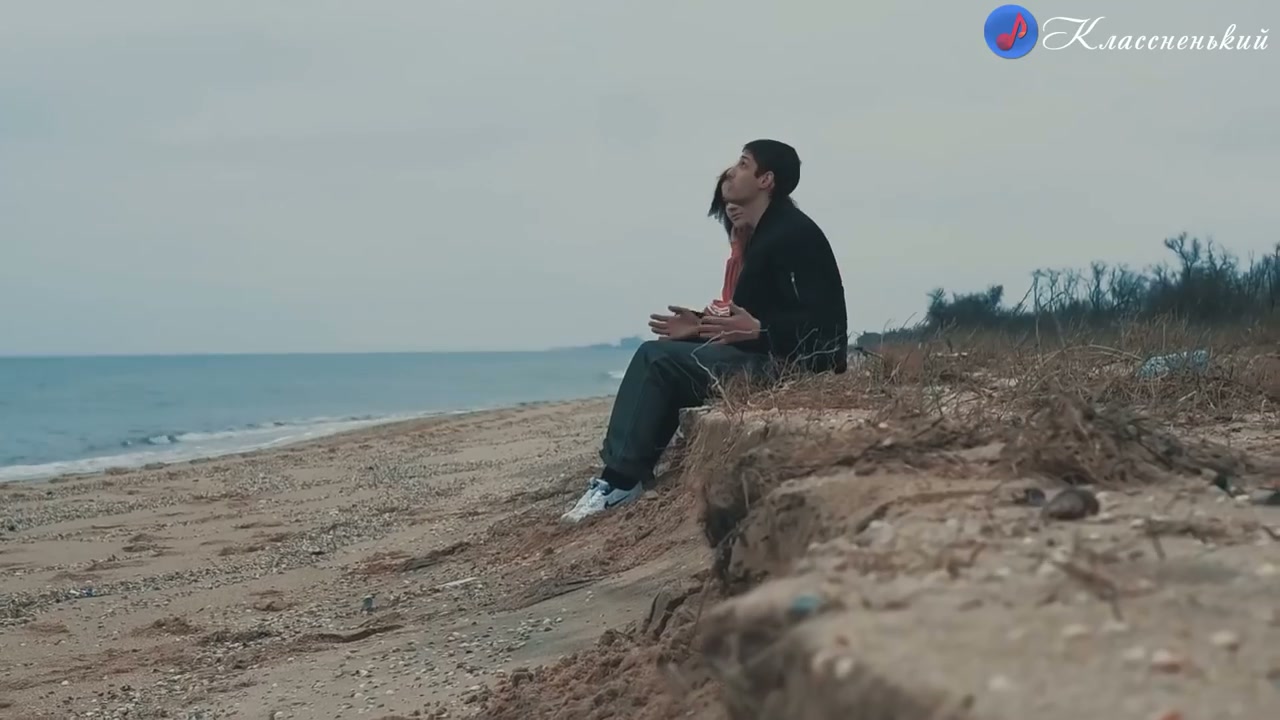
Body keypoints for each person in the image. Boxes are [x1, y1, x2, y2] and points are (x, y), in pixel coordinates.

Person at [560, 139, 848, 524]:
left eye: (743, 164)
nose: (731, 171)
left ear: (766, 180)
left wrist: (762, 330)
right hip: (769, 357)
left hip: (792, 370)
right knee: (666, 357)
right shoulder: (767, 234)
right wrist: (698, 328)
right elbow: (745, 325)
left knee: (656, 359)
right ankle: (628, 475)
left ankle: (619, 481)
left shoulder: (792, 235)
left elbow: (827, 330)